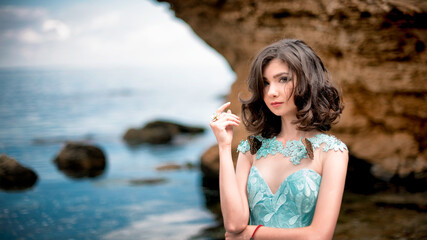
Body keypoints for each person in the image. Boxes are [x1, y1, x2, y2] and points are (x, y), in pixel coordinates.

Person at [209, 39, 349, 240]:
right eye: (265, 83)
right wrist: (223, 146)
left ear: (307, 80)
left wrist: (251, 233)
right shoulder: (251, 148)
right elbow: (234, 224)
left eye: (283, 79)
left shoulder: (332, 152)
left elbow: (319, 236)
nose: (271, 92)